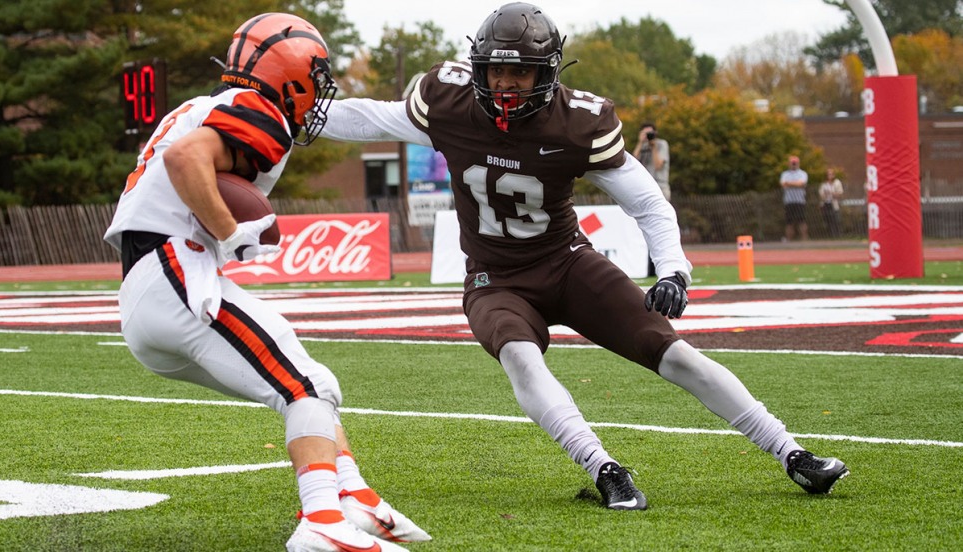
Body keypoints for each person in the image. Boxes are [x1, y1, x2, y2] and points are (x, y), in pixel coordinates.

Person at [319, 2, 849, 510]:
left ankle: (792, 453)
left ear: (546, 71)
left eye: (520, 73)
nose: (505, 86)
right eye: (495, 72)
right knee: (520, 358)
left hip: (566, 263)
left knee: (675, 353)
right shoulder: (451, 102)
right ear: (478, 68)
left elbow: (647, 202)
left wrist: (674, 270)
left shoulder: (576, 122)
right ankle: (603, 469)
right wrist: (296, 117)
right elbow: (371, 119)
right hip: (495, 276)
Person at [103, 13, 428, 551]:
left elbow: (181, 157)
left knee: (312, 385)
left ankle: (353, 499)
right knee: (301, 385)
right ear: (292, 76)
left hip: (152, 288)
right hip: (176, 274)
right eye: (316, 78)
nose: (318, 94)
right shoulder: (260, 111)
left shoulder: (202, 106)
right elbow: (187, 159)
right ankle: (322, 522)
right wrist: (232, 233)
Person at [633, 122, 670, 201]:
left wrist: (653, 147)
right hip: (645, 186)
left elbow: (658, 166)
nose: (648, 135)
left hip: (660, 185)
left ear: (655, 133)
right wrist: (640, 142)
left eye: (650, 133)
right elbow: (633, 164)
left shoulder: (662, 144)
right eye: (645, 133)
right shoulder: (642, 146)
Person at [780, 155, 809, 241]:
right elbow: (783, 184)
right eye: (792, 163)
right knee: (789, 222)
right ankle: (789, 240)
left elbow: (802, 183)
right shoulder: (785, 174)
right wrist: (796, 184)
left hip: (799, 201)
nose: (793, 164)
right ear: (789, 164)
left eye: (795, 163)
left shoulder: (803, 174)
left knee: (801, 221)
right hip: (789, 201)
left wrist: (789, 184)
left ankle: (804, 240)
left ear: (798, 163)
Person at [818, 168, 844, 238]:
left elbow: (840, 194)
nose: (830, 176)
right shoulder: (823, 185)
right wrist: (825, 195)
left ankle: (838, 236)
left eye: (831, 174)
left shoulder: (837, 183)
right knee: (828, 221)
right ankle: (830, 236)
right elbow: (821, 195)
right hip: (826, 204)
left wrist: (831, 193)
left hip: (834, 204)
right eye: (828, 174)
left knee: (836, 220)